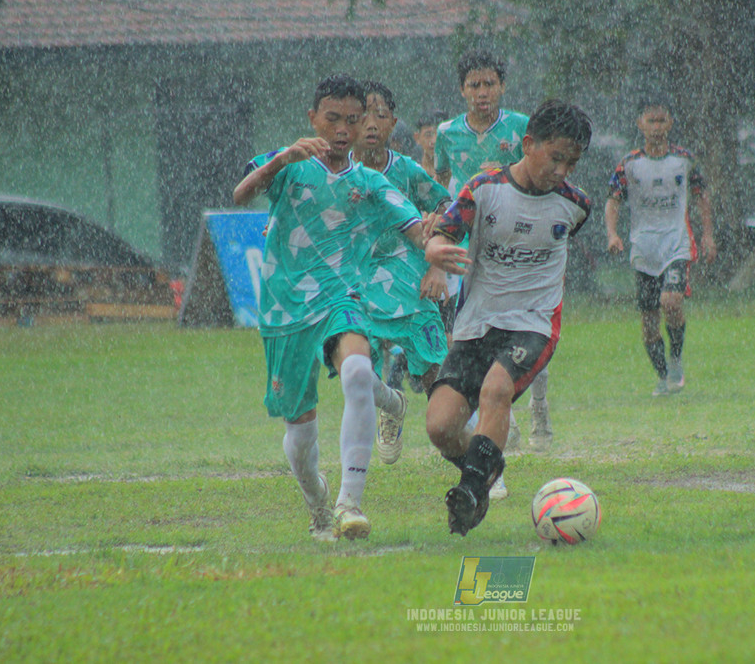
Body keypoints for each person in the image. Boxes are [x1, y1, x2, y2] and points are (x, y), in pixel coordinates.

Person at [232, 74, 427, 541]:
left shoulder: (369, 183)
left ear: (364, 125)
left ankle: (349, 505)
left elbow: (413, 223)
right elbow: (241, 196)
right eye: (333, 119)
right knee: (300, 439)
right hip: (284, 311)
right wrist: (280, 160)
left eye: (353, 120)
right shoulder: (290, 165)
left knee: (357, 372)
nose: (343, 129)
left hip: (343, 298)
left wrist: (434, 250)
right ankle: (318, 502)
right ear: (312, 119)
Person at [423, 99, 593, 536]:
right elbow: (444, 235)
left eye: (571, 163)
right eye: (555, 158)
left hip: (533, 324)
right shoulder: (482, 189)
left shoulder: (575, 205)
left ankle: (472, 490)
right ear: (528, 143)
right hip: (476, 323)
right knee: (440, 427)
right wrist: (437, 256)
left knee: (496, 390)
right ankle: (483, 468)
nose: (562, 171)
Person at [353, 80, 452, 464]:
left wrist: (436, 266)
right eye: (364, 115)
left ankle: (475, 460)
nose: (372, 124)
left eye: (381, 115)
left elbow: (447, 206)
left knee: (436, 377)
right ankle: (390, 407)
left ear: (394, 123)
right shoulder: (338, 174)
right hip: (357, 288)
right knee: (360, 378)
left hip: (412, 286)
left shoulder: (408, 172)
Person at [605, 95, 717, 397]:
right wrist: (612, 234)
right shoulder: (629, 164)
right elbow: (613, 200)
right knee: (649, 322)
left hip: (675, 244)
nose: (656, 127)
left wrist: (707, 235)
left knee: (671, 302)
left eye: (661, 120)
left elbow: (701, 195)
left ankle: (676, 360)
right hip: (643, 249)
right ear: (640, 124)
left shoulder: (683, 159)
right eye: (650, 121)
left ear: (670, 123)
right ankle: (663, 376)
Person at [412, 109, 448, 182]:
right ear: (417, 138)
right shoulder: (411, 172)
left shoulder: (456, 172)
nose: (434, 141)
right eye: (428, 135)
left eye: (439, 135)